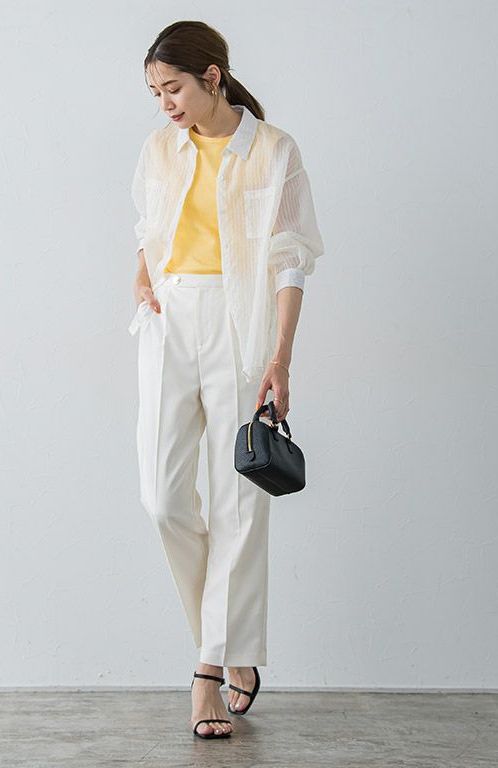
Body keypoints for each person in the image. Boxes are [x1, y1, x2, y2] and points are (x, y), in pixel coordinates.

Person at [128, 20, 324, 739]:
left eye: (173, 88)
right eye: (155, 92)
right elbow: (150, 226)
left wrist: (281, 356)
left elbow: (291, 259)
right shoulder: (160, 146)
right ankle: (232, 639)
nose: (164, 104)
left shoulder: (274, 150)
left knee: (238, 507)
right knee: (163, 499)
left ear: (212, 76)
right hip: (170, 320)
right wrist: (142, 274)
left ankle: (208, 669)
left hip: (241, 329)